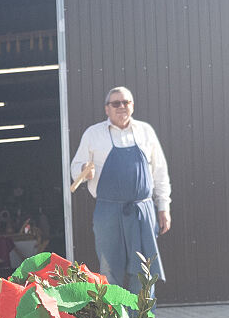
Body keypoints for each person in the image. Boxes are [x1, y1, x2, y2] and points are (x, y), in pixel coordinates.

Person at [69, 86, 172, 292]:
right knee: (109, 270)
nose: (121, 107)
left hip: (142, 211)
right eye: (116, 103)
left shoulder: (145, 131)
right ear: (107, 109)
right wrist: (83, 170)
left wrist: (163, 207)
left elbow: (160, 171)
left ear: (132, 106)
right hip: (108, 212)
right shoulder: (94, 134)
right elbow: (75, 166)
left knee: (144, 270)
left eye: (126, 102)